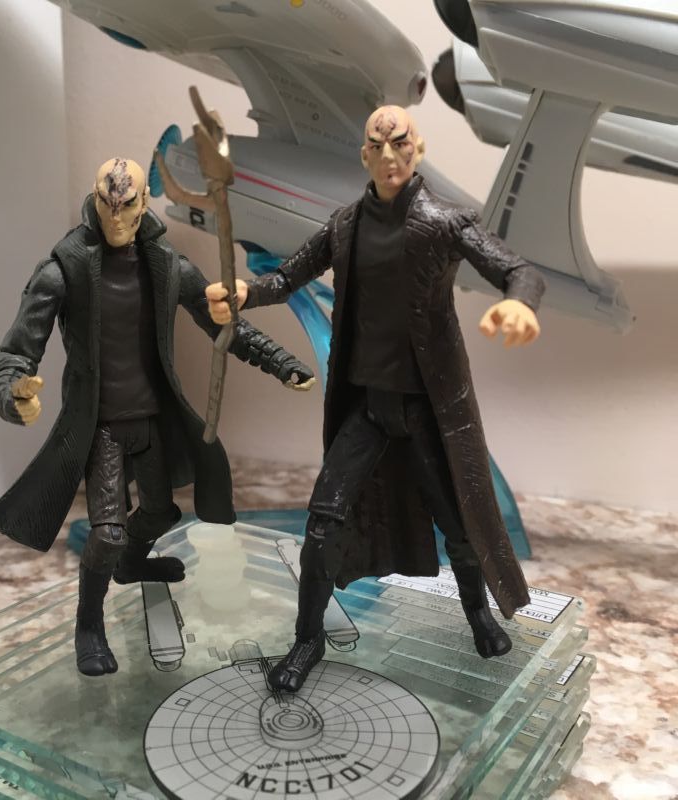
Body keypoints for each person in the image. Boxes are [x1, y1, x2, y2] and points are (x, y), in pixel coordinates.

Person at [206, 107, 545, 692]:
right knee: (321, 524)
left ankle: (478, 615)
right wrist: (245, 294)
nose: (390, 156)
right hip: (366, 408)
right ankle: (308, 639)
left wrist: (518, 303)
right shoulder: (345, 225)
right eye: (378, 146)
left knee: (460, 528)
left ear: (417, 148)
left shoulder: (445, 222)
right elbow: (286, 278)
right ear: (364, 154)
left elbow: (519, 270)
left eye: (400, 143)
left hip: (426, 408)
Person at [0, 157, 314, 677]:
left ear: (142, 205)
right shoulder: (63, 270)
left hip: (153, 418)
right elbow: (15, 354)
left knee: (160, 514)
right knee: (106, 533)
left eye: (127, 205)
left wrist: (281, 362)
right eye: (107, 204)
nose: (116, 217)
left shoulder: (168, 266)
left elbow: (223, 326)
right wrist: (13, 395)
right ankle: (88, 625)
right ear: (95, 201)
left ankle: (131, 566)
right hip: (101, 426)